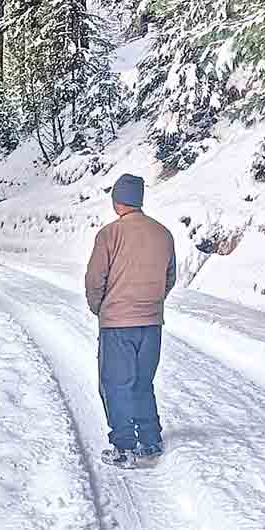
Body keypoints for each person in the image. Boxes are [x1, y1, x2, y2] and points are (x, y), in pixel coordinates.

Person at [86, 173, 177, 469]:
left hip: (117, 323)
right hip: (151, 322)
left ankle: (123, 447)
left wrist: (100, 308)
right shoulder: (163, 234)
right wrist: (153, 301)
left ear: (116, 201)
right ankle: (150, 440)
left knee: (116, 384)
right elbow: (170, 277)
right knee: (142, 382)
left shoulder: (109, 234)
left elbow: (95, 279)